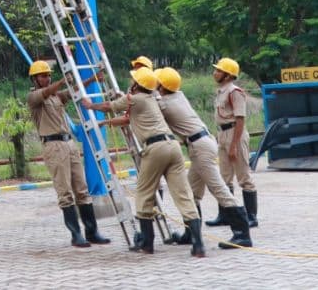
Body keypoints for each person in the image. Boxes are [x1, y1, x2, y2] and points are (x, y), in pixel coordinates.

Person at [85, 67, 205, 257]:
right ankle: (198, 245)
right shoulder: (152, 99)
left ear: (138, 84)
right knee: (183, 195)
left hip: (155, 148)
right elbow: (128, 119)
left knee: (143, 194)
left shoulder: (136, 99)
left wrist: (90, 106)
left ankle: (147, 243)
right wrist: (106, 123)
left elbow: (110, 106)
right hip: (172, 146)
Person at [154, 67, 252, 249]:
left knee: (219, 189)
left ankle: (242, 234)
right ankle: (190, 233)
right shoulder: (179, 95)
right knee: (192, 193)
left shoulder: (165, 104)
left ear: (162, 86)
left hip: (200, 147)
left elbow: (148, 107)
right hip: (202, 143)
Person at [25, 59, 110, 248]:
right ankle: (76, 234)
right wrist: (63, 81)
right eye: (42, 76)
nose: (46, 78)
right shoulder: (34, 97)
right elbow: (47, 92)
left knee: (82, 188)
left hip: (68, 143)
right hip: (53, 145)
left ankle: (92, 231)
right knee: (65, 191)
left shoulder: (56, 96)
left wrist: (92, 79)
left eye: (48, 75)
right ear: (35, 79)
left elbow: (72, 93)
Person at [213, 56, 259, 228]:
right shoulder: (221, 91)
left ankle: (251, 216)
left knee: (243, 176)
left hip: (235, 134)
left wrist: (233, 145)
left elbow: (240, 119)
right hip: (223, 133)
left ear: (227, 75)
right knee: (224, 178)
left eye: (218, 71)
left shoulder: (235, 92)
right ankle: (225, 214)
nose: (214, 73)